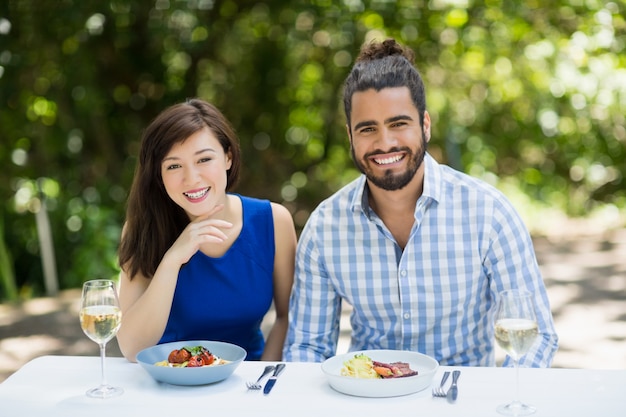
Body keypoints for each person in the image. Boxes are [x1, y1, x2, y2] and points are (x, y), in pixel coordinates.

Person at [283, 38, 558, 367]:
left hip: (461, 401)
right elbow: (307, 350)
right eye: (368, 129)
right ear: (350, 136)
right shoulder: (325, 227)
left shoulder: (489, 213)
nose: (385, 143)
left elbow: (537, 335)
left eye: (398, 124)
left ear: (425, 125)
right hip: (368, 399)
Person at [117, 98, 296, 362]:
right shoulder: (143, 228)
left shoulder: (273, 221)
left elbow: (287, 317)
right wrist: (172, 260)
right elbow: (132, 349)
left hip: (245, 381)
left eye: (204, 159)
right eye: (174, 165)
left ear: (228, 157)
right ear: (158, 174)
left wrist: (260, 381)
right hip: (169, 381)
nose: (192, 178)